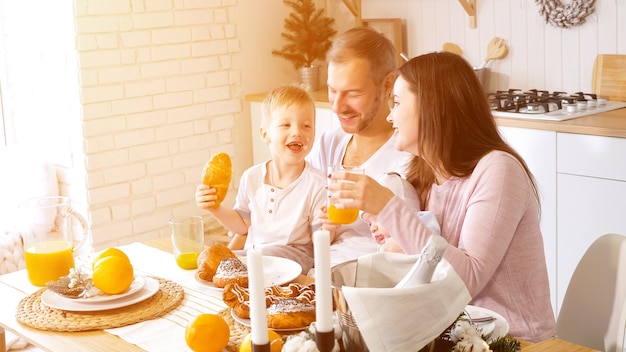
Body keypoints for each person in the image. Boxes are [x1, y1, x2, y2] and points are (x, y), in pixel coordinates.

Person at [327, 51, 556, 342]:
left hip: (513, 340)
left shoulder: (498, 170)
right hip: (448, 334)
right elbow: (419, 264)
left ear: (432, 108)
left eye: (397, 103)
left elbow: (466, 281)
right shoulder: (423, 173)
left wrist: (387, 207)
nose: (389, 115)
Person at [307, 27, 413, 266]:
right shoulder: (328, 143)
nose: (337, 106)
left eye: (353, 94)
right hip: (319, 273)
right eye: (332, 91)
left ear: (388, 84)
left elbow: (420, 245)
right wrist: (321, 226)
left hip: (372, 283)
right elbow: (308, 214)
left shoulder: (409, 156)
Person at [195, 85, 328, 274]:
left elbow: (320, 240)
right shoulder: (251, 177)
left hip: (296, 255)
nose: (297, 132)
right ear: (265, 134)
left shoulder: (317, 183)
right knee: (209, 258)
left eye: (306, 126)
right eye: (285, 125)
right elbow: (242, 225)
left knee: (254, 260)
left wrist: (328, 227)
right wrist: (214, 208)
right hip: (256, 254)